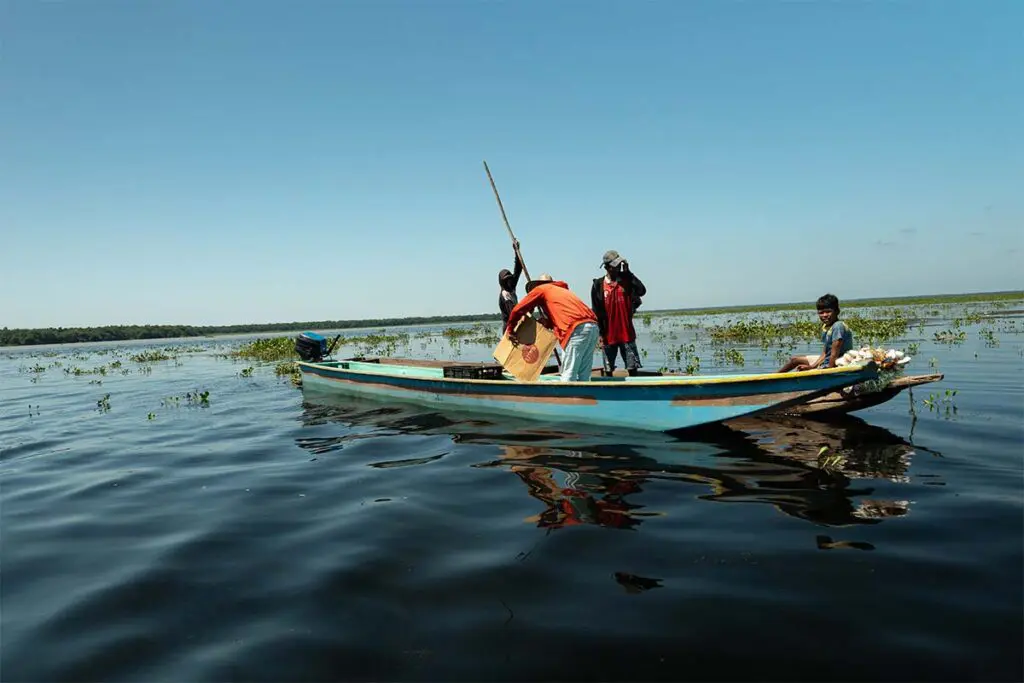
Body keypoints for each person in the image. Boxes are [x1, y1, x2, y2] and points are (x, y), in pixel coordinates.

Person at [505, 274, 600, 382]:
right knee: (584, 374)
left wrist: (510, 329)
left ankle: (566, 393)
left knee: (568, 374)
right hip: (593, 327)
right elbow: (566, 315)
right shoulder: (561, 291)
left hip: (577, 329)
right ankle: (585, 391)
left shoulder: (542, 289)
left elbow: (517, 310)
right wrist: (548, 322)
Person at [591, 250, 647, 376]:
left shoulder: (626, 280)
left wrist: (628, 273)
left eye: (618, 265)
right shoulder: (598, 285)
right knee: (608, 369)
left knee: (632, 368)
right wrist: (600, 334)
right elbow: (596, 311)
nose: (617, 268)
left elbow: (642, 291)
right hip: (608, 334)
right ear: (607, 267)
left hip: (626, 332)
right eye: (614, 266)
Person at [778, 293, 854, 372]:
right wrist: (812, 367)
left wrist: (828, 371)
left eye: (828, 312)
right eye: (821, 313)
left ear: (837, 311)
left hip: (839, 361)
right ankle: (774, 377)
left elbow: (834, 354)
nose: (824, 315)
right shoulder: (826, 327)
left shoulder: (838, 326)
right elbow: (825, 353)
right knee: (794, 360)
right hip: (827, 360)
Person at [497, 240, 524, 328]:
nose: (508, 281)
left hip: (515, 323)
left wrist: (516, 251)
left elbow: (518, 268)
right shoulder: (505, 294)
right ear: (502, 282)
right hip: (509, 326)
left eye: (509, 279)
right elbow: (512, 312)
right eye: (506, 280)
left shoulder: (511, 286)